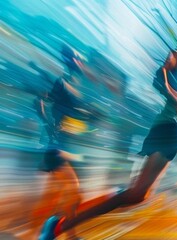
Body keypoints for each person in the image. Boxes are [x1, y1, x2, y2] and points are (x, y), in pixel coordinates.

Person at [40, 16, 177, 240]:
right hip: (171, 126)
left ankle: (58, 228)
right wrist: (174, 95)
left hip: (170, 127)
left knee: (136, 195)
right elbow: (158, 77)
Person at [25, 45, 113, 240]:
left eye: (79, 59)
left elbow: (77, 116)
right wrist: (49, 125)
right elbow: (38, 102)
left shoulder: (76, 87)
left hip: (64, 148)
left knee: (53, 198)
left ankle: (40, 233)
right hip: (55, 149)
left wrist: (91, 118)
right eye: (76, 59)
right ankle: (69, 235)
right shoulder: (62, 84)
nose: (79, 63)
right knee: (74, 192)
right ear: (70, 61)